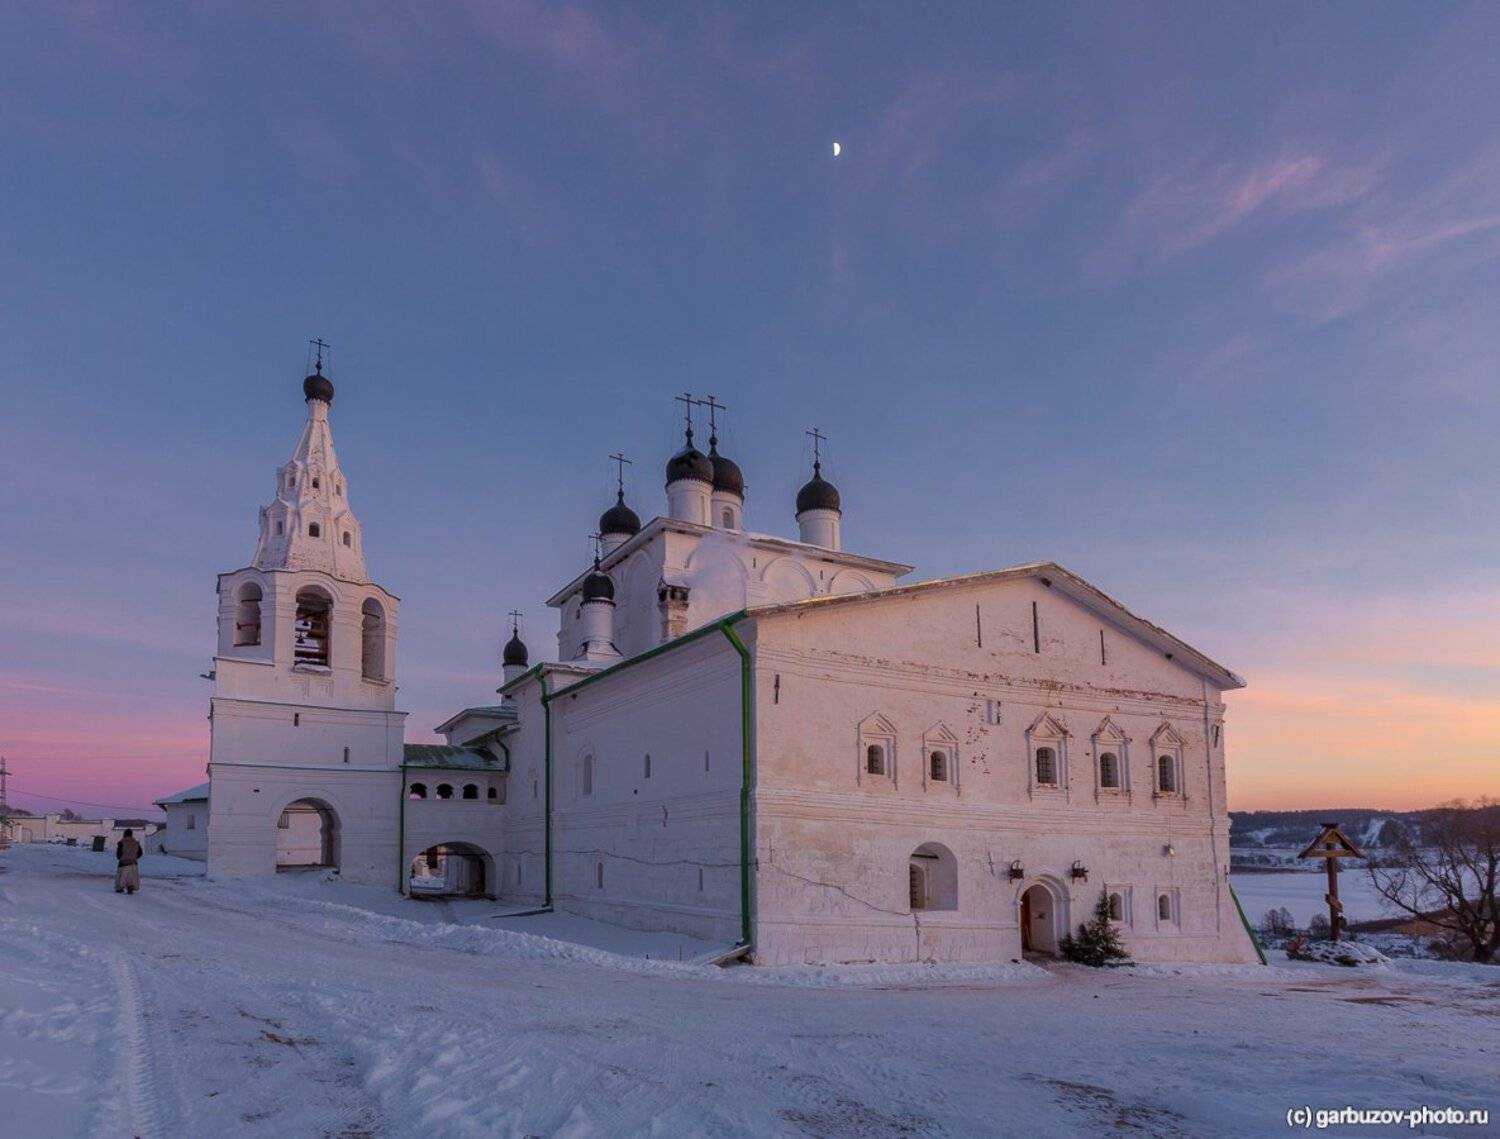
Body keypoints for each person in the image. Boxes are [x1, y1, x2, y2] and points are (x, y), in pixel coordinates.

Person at [115, 828, 142, 895]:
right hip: (133, 862)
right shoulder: (136, 842)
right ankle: (130, 887)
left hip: (123, 862)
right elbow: (140, 853)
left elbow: (119, 854)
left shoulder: (121, 842)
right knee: (131, 877)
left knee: (121, 876)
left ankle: (119, 888)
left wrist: (120, 858)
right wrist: (135, 857)